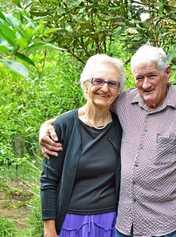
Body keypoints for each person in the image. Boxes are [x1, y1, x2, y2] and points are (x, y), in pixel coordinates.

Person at [40, 45, 176, 237]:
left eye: (152, 76)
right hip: (123, 226)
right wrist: (48, 125)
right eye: (139, 78)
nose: (145, 84)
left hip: (166, 227)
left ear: (167, 73)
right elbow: (90, 109)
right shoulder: (125, 102)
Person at [40, 54, 124, 237]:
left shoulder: (122, 126)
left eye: (112, 83)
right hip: (70, 222)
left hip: (110, 223)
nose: (105, 88)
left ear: (118, 91)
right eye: (98, 81)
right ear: (86, 85)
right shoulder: (64, 126)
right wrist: (49, 230)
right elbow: (48, 181)